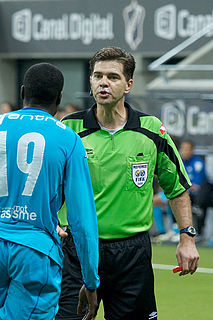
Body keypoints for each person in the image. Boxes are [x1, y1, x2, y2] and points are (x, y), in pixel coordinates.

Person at [56, 47, 199, 320]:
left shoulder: (151, 129)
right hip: (78, 250)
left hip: (132, 254)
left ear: (129, 84)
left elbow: (177, 188)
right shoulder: (69, 129)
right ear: (90, 81)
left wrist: (187, 238)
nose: (103, 83)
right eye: (97, 76)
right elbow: (47, 185)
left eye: (112, 77)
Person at [0, 63, 99, 320]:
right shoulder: (68, 139)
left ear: (22, 93)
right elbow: (82, 219)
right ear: (59, 98)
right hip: (35, 252)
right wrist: (90, 281)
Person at [180, 140, 207, 238]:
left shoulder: (198, 163)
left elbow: (198, 186)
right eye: (182, 149)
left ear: (192, 150)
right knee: (156, 200)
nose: (184, 151)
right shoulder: (180, 162)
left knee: (177, 198)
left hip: (194, 196)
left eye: (186, 149)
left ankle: (196, 233)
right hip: (180, 192)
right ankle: (170, 231)